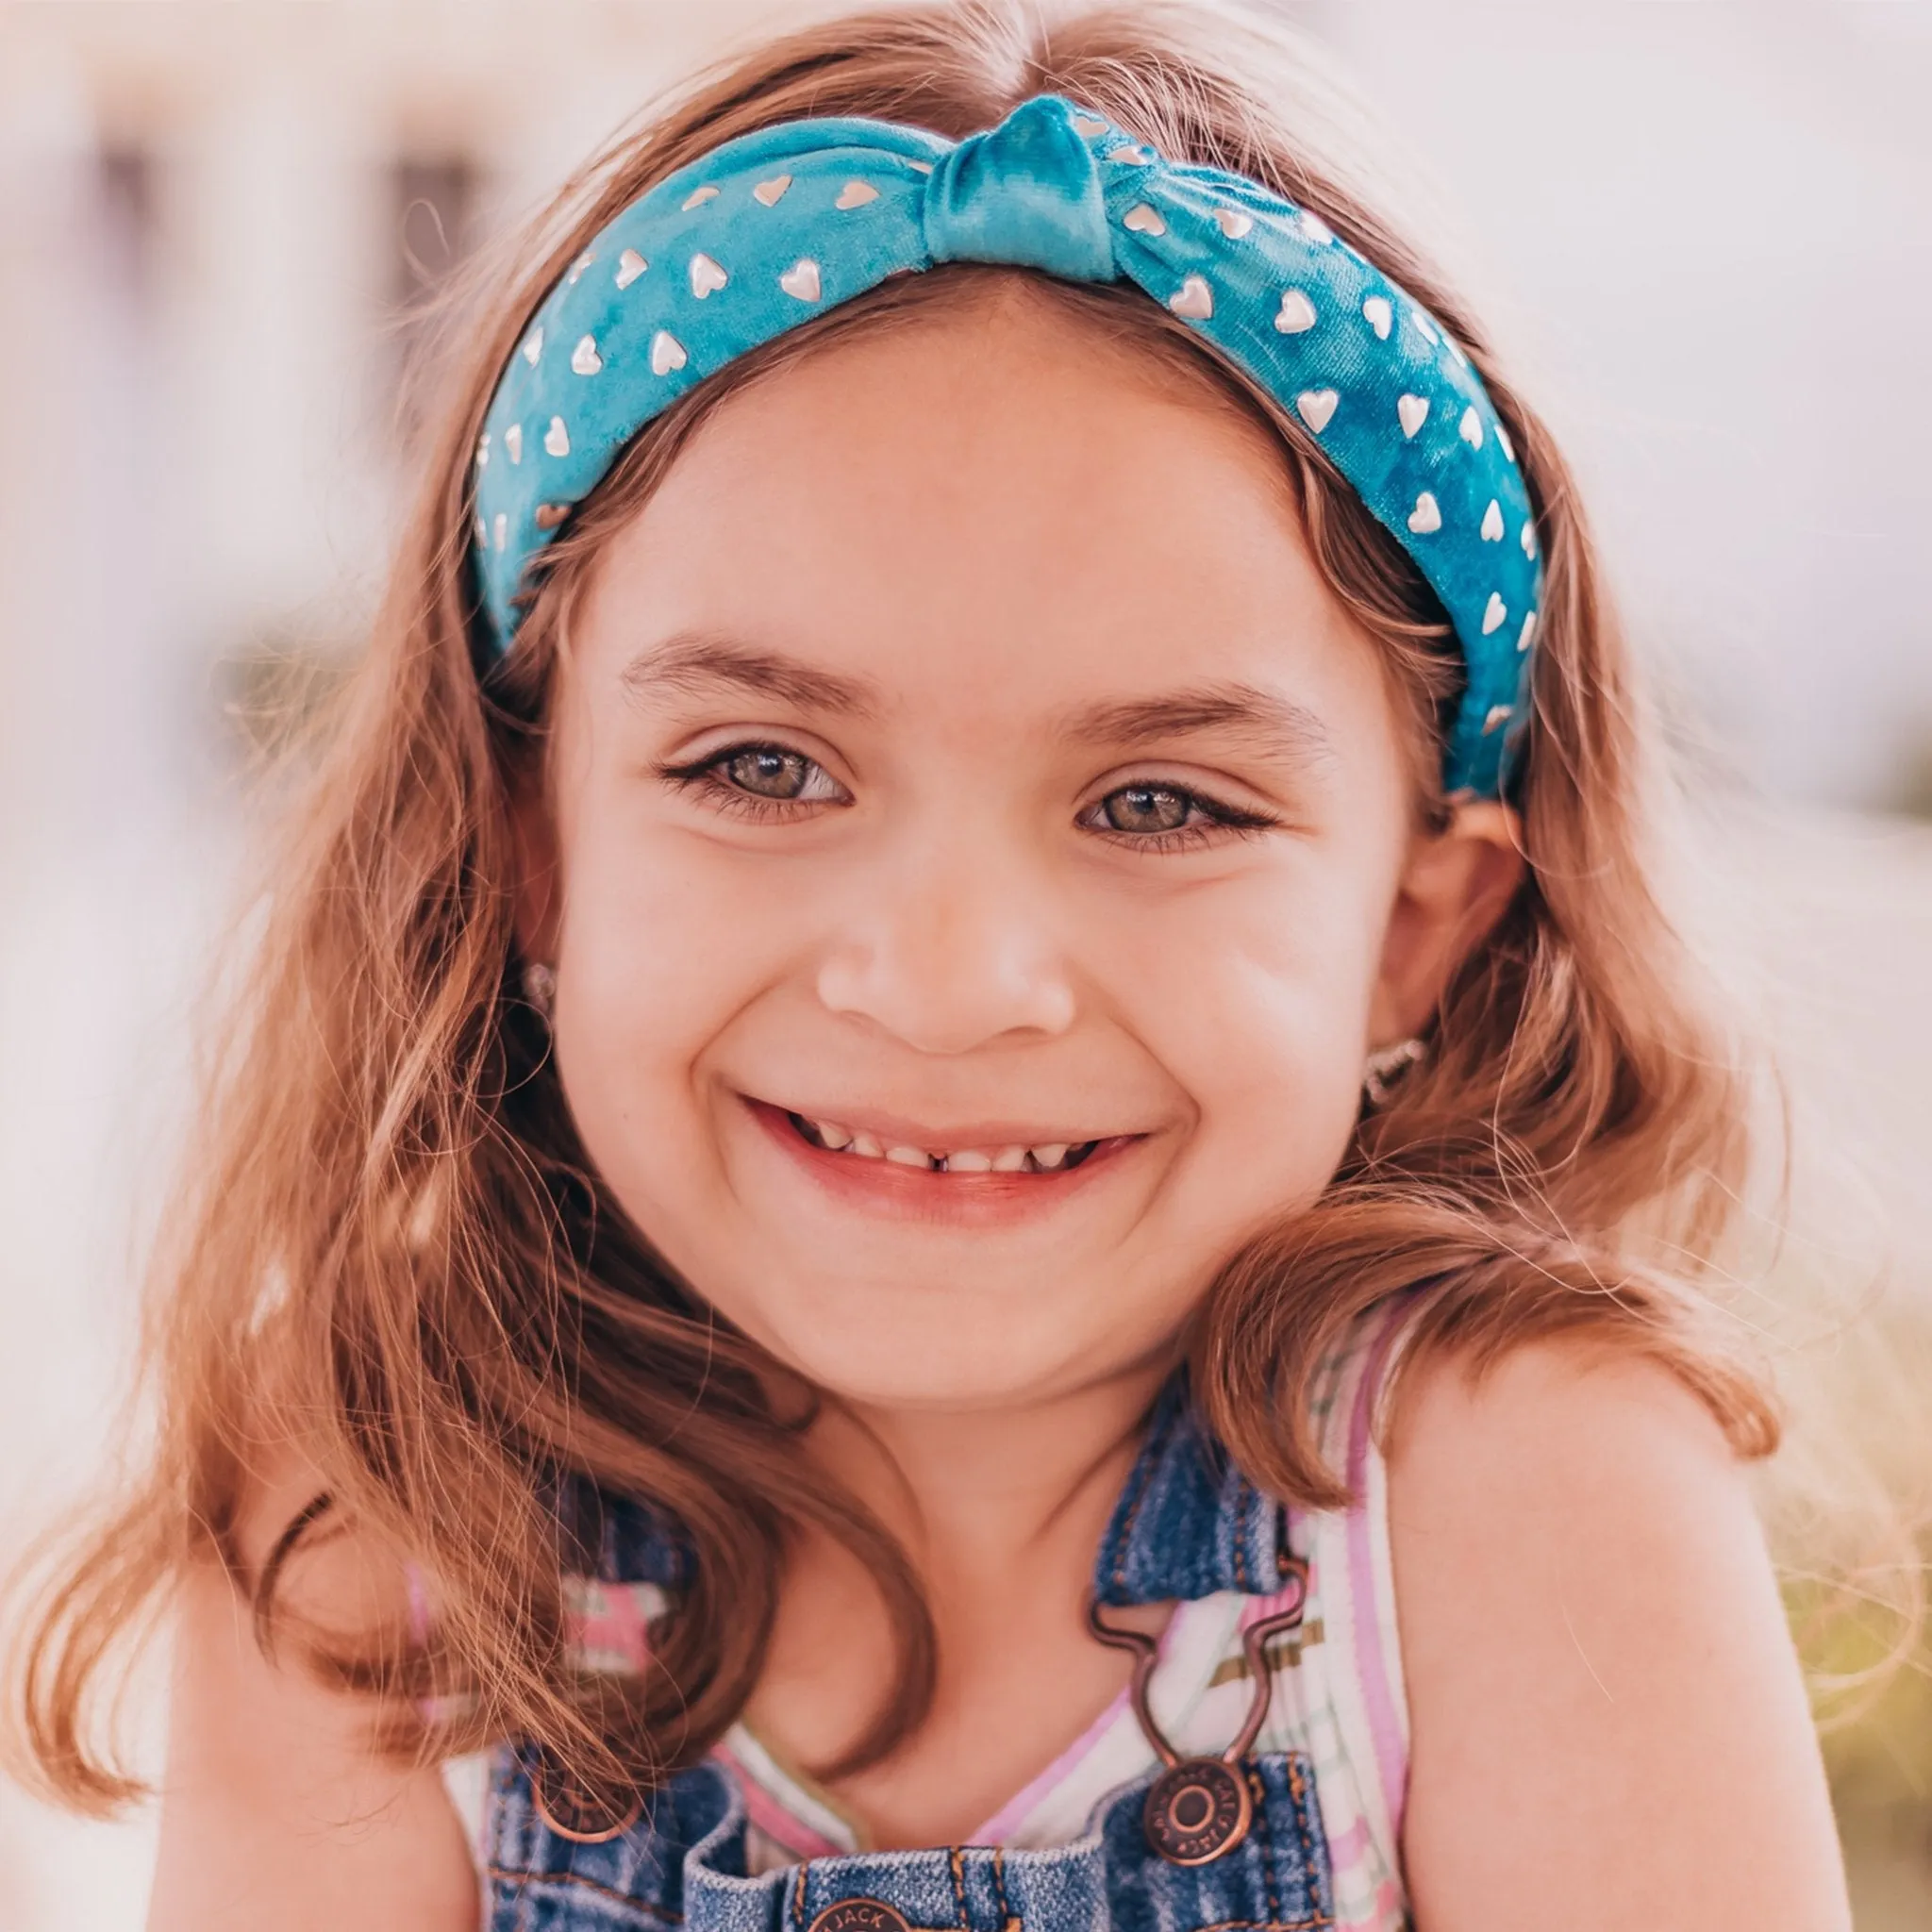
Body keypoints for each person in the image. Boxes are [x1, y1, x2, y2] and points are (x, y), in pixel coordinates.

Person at [7, 4, 1853, 1927]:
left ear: (1411, 934)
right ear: (530, 855)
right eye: (763, 767)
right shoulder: (384, 1541)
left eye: (1159, 804)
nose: (951, 981)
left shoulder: (1519, 1506)